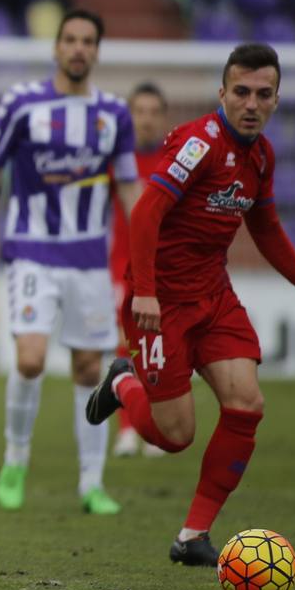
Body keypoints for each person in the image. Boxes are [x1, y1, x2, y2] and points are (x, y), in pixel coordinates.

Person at [86, 43, 295, 566]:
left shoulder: (262, 156)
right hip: (160, 302)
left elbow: (266, 226)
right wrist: (145, 291)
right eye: (242, 92)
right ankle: (122, 382)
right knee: (175, 435)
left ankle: (191, 537)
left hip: (213, 295)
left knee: (247, 404)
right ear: (222, 93)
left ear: (276, 100)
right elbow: (145, 214)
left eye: (263, 94)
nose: (251, 103)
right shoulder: (198, 144)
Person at [0, 9, 140, 516]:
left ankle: (91, 484)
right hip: (31, 250)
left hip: (90, 258)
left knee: (90, 368)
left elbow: (130, 186)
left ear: (97, 50)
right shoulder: (22, 104)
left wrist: (151, 242)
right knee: (30, 359)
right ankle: (15, 460)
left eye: (88, 40)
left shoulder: (115, 114)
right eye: (70, 39)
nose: (78, 48)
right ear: (56, 47)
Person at [109, 82, 170, 458]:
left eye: (152, 112)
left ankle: (157, 427)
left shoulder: (175, 161)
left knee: (161, 349)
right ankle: (127, 429)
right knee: (127, 344)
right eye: (138, 112)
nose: (145, 120)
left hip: (166, 267)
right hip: (122, 265)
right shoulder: (117, 160)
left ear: (162, 117)